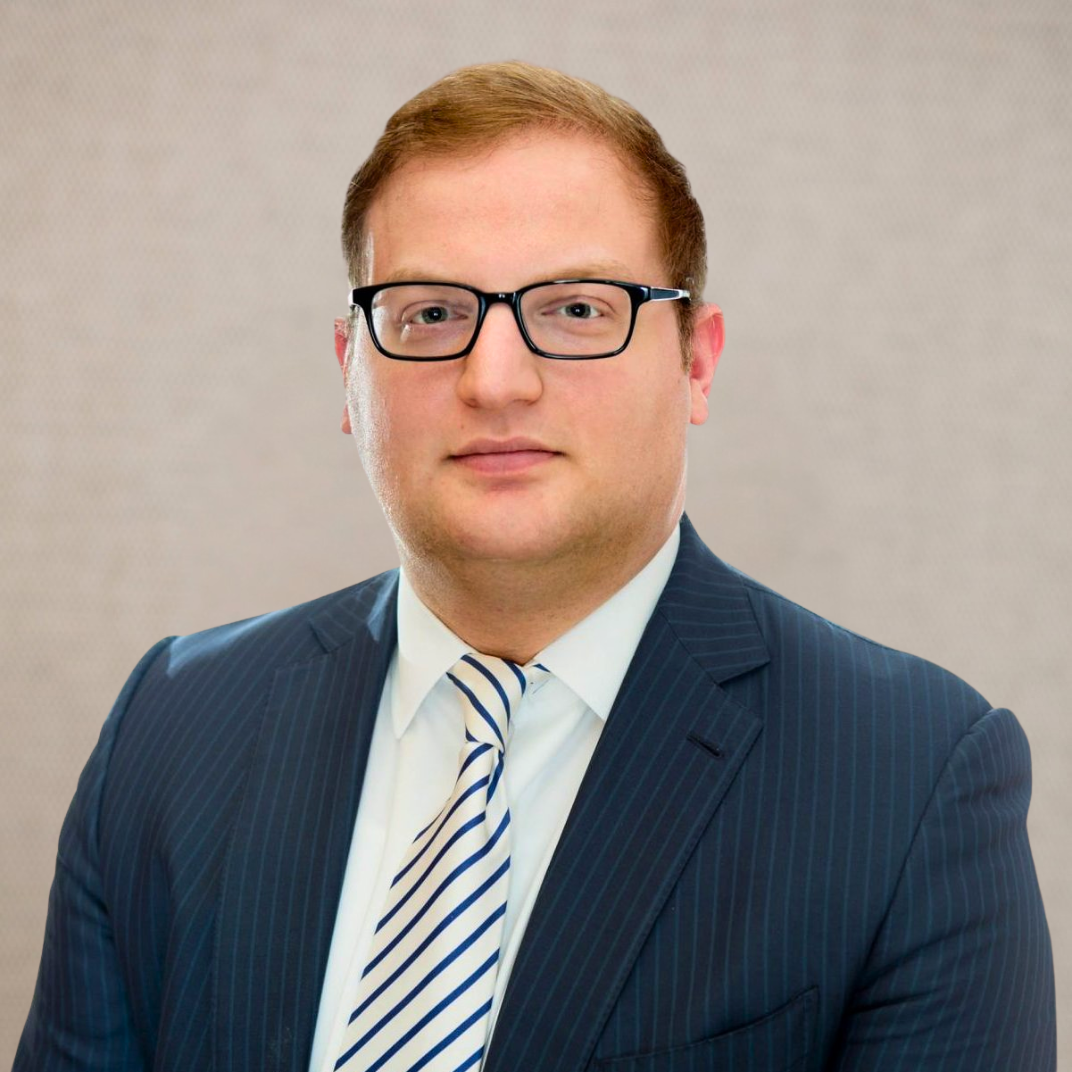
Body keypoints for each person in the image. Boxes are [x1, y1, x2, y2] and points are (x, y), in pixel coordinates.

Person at [16, 61, 1056, 1072]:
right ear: (350, 373)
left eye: (575, 310)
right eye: (430, 313)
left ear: (696, 361)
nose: (495, 379)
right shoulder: (171, 726)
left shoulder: (913, 778)